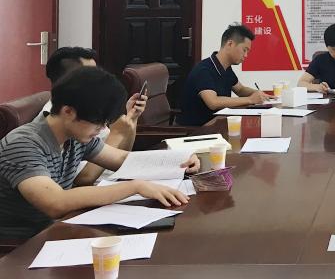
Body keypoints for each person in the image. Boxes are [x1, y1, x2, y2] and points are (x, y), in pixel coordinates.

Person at [0, 66, 199, 241]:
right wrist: (135, 186)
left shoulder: (74, 136)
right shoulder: (24, 144)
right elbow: (56, 202)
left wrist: (180, 160)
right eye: (99, 122)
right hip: (22, 244)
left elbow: (122, 159)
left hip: (61, 227)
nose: (103, 129)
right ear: (68, 112)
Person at [37, 47, 147, 186]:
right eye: (92, 74)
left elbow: (119, 156)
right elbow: (83, 179)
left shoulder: (86, 110)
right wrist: (117, 134)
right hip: (94, 188)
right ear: (70, 79)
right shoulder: (64, 121)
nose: (100, 80)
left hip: (112, 181)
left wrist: (131, 120)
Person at [178, 24, 269, 125]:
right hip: (198, 129)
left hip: (217, 124)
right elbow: (213, 102)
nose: (246, 55)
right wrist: (250, 99)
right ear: (230, 44)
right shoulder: (204, 70)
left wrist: (261, 95)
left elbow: (240, 90)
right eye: (244, 50)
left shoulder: (226, 68)